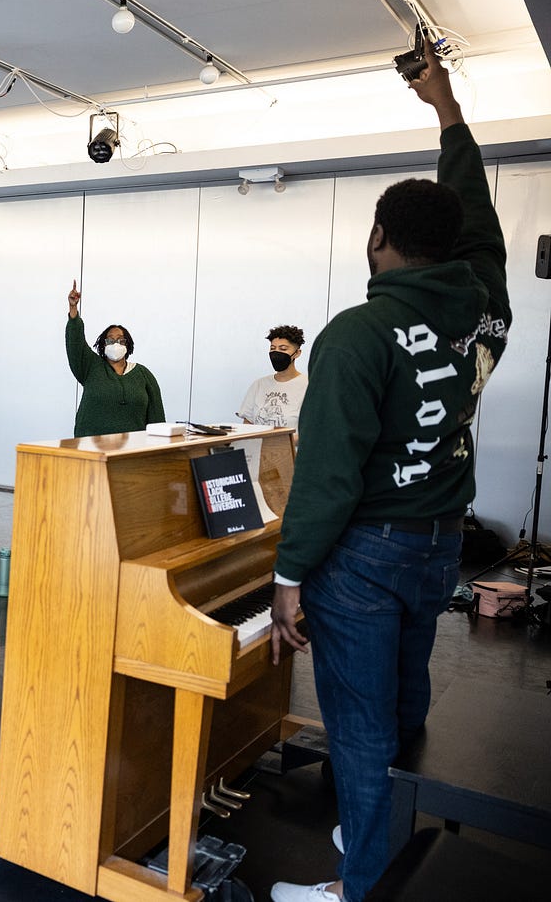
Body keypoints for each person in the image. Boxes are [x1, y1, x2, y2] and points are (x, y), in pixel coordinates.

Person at [268, 53, 510, 902]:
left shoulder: (359, 333)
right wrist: (446, 110)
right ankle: (380, 841)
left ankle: (359, 886)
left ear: (378, 238)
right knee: (406, 702)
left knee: (361, 730)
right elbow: (480, 219)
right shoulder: (486, 306)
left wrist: (289, 579)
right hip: (438, 545)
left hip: (364, 558)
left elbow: (328, 477)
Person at [64, 281, 165, 436]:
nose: (115, 343)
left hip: (133, 450)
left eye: (120, 339)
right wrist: (73, 310)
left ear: (128, 344)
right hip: (91, 447)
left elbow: (157, 419)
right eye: (110, 340)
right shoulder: (91, 367)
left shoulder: (143, 375)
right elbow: (76, 345)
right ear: (103, 345)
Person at [238, 325, 309, 429]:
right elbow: (248, 423)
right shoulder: (259, 385)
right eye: (273, 348)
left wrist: (282, 443)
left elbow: (313, 429)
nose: (276, 353)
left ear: (297, 353)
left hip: (290, 445)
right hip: (258, 445)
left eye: (283, 348)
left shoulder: (308, 386)